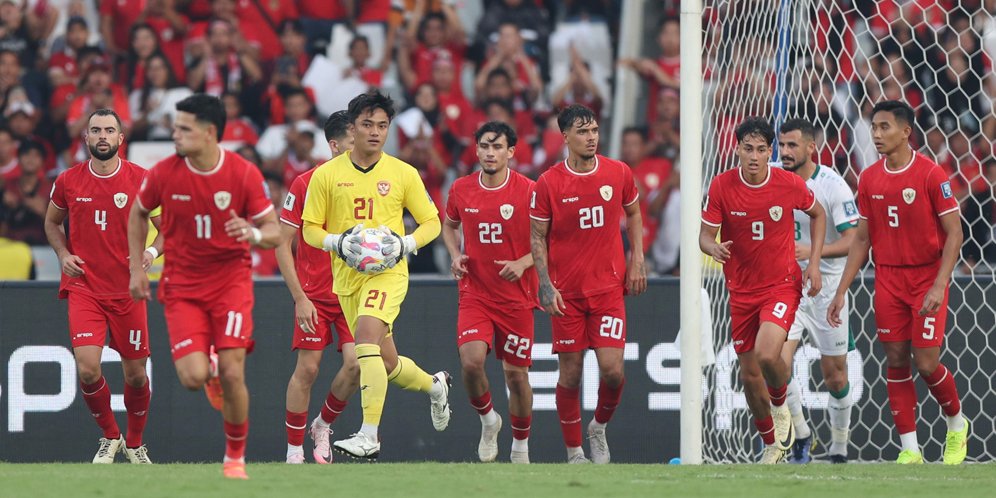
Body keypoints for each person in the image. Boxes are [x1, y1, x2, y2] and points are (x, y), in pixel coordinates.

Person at [127, 93, 282, 479]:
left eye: (183, 128)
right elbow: (138, 214)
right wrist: (135, 268)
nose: (175, 134)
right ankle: (207, 366)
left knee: (234, 373)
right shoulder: (163, 173)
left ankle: (234, 458)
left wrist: (250, 232)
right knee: (193, 378)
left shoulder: (243, 173)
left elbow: (275, 233)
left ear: (209, 133)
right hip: (181, 286)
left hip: (230, 283)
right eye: (175, 126)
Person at [301, 91, 451, 460]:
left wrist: (405, 244)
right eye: (367, 125)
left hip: (389, 273)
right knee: (384, 362)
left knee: (364, 339)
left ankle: (369, 436)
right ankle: (435, 386)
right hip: (347, 278)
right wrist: (337, 241)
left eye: (382, 126)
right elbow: (309, 230)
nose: (375, 132)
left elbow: (433, 222)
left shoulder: (403, 173)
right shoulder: (326, 175)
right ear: (352, 128)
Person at [828, 100, 969, 465]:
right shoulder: (869, 178)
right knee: (895, 359)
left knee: (926, 363)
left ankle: (956, 424)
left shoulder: (930, 175)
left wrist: (940, 284)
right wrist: (842, 289)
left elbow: (955, 233)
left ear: (906, 132)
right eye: (874, 127)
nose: (876, 134)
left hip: (926, 276)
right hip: (888, 277)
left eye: (885, 127)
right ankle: (910, 449)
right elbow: (862, 238)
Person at [699, 117, 826, 464]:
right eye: (748, 149)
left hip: (781, 285)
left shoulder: (786, 183)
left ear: (769, 151)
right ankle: (773, 443)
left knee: (768, 355)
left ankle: (782, 406)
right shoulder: (722, 186)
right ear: (736, 148)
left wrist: (813, 263)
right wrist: (713, 248)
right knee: (749, 376)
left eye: (761, 150)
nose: (754, 156)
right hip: (740, 290)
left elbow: (818, 214)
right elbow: (704, 236)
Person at [529, 104, 647, 464]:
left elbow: (634, 212)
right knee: (571, 373)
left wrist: (637, 259)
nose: (591, 136)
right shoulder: (549, 182)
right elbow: (536, 237)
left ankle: (598, 426)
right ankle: (574, 451)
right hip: (567, 294)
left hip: (609, 290)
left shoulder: (618, 172)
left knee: (613, 372)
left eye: (594, 129)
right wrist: (545, 285)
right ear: (565, 137)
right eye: (582, 131)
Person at [43, 108, 162, 465]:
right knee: (88, 368)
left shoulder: (142, 179)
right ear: (87, 138)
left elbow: (169, 225)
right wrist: (63, 253)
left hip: (129, 289)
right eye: (96, 130)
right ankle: (110, 436)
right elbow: (52, 223)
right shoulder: (67, 180)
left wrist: (152, 251)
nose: (103, 136)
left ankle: (135, 444)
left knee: (136, 375)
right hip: (85, 287)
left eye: (110, 130)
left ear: (121, 139)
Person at [441, 121, 536, 464]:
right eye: (484, 146)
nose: (490, 153)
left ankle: (521, 446)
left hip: (516, 298)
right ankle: (488, 421)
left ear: (511, 151)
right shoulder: (462, 189)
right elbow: (448, 226)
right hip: (476, 293)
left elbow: (550, 240)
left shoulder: (528, 191)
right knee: (471, 363)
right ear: (476, 149)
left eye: (497, 147)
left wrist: (524, 263)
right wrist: (455, 255)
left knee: (516, 375)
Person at [278, 110, 358, 464]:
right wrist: (299, 298)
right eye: (354, 143)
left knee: (358, 366)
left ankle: (323, 424)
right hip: (315, 295)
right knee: (307, 370)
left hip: (354, 294)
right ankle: (294, 450)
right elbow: (282, 243)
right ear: (335, 145)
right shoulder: (305, 183)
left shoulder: (370, 183)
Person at [777, 119, 857, 464]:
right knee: (775, 364)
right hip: (786, 287)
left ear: (812, 148)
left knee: (834, 374)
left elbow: (852, 241)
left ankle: (839, 447)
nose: (784, 152)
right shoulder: (774, 181)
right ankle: (801, 436)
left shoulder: (833, 186)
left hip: (826, 290)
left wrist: (812, 252)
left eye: (792, 145)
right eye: (781, 145)